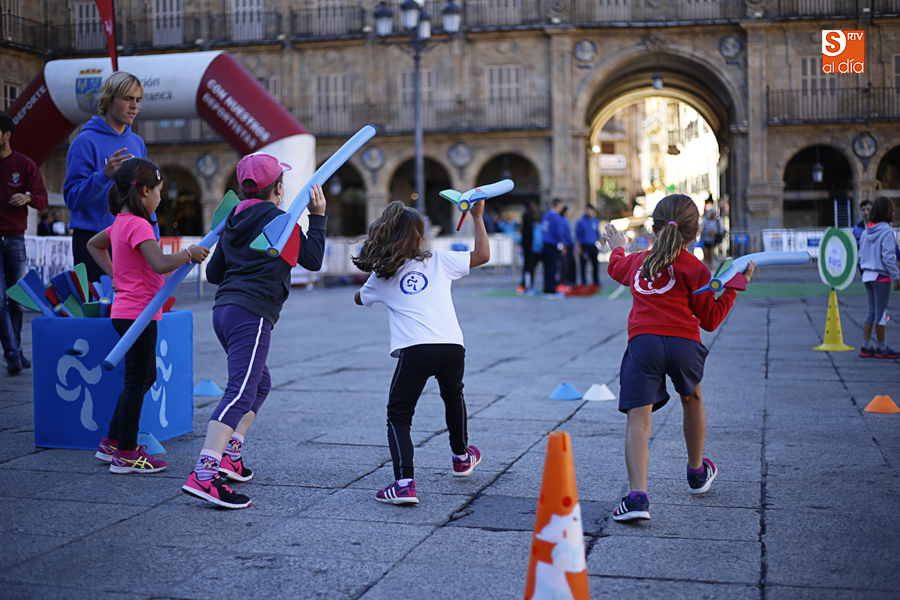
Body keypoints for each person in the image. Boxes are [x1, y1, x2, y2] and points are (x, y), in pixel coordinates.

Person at [181, 154, 327, 509]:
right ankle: (204, 474)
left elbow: (214, 274)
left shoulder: (233, 219)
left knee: (259, 383)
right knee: (241, 391)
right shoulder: (280, 221)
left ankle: (230, 455)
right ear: (278, 189)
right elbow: (312, 260)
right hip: (252, 313)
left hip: (224, 312)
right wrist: (318, 217)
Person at [604, 194, 755, 521]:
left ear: (653, 228)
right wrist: (734, 286)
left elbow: (615, 267)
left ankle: (637, 498)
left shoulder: (638, 261)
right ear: (695, 233)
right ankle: (697, 473)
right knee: (692, 398)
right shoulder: (697, 268)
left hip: (644, 343)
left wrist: (618, 246)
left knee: (638, 420)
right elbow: (710, 319)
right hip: (684, 344)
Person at [352, 198, 489, 505]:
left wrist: (374, 282)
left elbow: (359, 299)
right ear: (419, 238)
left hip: (416, 350)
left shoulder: (382, 276)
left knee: (399, 415)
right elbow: (483, 255)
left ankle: (403, 484)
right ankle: (461, 457)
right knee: (453, 395)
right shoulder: (439, 261)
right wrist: (477, 217)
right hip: (452, 346)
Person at [87, 158, 209, 473]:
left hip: (127, 311)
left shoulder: (120, 222)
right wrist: (189, 254)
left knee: (141, 376)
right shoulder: (139, 224)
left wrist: (115, 274)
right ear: (144, 191)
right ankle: (126, 452)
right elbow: (160, 264)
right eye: (158, 191)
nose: (160, 197)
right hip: (138, 313)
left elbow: (93, 245)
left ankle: (112, 442)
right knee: (138, 378)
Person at [65, 71, 149, 283]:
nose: (134, 106)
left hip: (132, 240)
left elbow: (145, 199)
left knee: (130, 303)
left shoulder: (138, 143)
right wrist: (103, 176)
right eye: (128, 98)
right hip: (93, 242)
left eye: (138, 100)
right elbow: (72, 199)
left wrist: (152, 237)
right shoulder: (84, 142)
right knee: (99, 303)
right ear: (108, 100)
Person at [0, 113, 49, 375]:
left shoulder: (24, 164)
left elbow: (42, 199)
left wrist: (28, 197)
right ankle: (11, 353)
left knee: (16, 298)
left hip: (15, 239)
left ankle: (16, 349)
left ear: (6, 135)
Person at [858, 197, 900, 359]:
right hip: (881, 277)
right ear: (888, 213)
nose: (893, 213)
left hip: (867, 276)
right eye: (892, 211)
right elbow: (889, 258)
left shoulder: (865, 232)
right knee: (881, 313)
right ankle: (882, 347)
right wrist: (896, 277)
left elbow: (860, 256)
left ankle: (866, 346)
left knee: (871, 312)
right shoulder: (887, 232)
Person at [541, 199, 568, 298]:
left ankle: (547, 288)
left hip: (545, 243)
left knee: (547, 267)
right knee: (552, 267)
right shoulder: (556, 217)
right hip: (552, 244)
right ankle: (550, 290)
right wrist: (563, 244)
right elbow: (559, 232)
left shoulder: (546, 215)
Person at [576, 204, 602, 287]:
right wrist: (579, 247)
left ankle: (596, 281)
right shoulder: (581, 221)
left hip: (593, 245)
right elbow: (578, 235)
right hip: (584, 245)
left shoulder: (595, 221)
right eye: (587, 209)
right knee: (583, 265)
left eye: (590, 209)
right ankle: (584, 281)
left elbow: (597, 233)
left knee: (595, 264)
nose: (588, 211)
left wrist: (601, 244)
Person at [517, 200, 538, 294]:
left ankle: (527, 284)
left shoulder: (530, 217)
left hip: (530, 246)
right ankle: (527, 285)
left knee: (529, 266)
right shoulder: (528, 217)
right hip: (529, 247)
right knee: (528, 266)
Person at [701, 198, 724, 266]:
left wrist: (715, 233)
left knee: (711, 251)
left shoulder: (718, 220)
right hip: (706, 239)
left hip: (713, 239)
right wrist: (708, 232)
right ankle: (707, 265)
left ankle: (711, 264)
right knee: (706, 252)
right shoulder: (704, 220)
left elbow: (721, 229)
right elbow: (702, 229)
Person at [560, 205, 577, 289]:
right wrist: (572, 244)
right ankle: (566, 281)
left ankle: (570, 281)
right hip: (566, 246)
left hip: (569, 245)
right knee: (567, 264)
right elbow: (565, 235)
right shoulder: (563, 221)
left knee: (570, 264)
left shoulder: (567, 221)